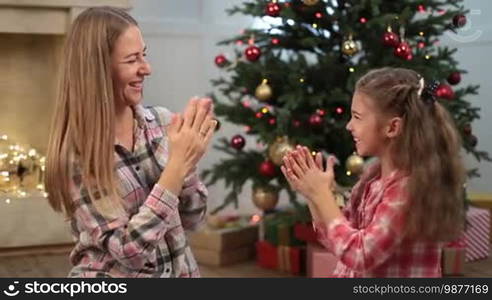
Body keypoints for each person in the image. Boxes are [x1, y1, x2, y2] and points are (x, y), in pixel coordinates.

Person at [45, 6, 217, 278]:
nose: (146, 68)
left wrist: (188, 163)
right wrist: (175, 167)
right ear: (99, 70)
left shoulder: (162, 123)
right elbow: (130, 252)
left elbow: (193, 219)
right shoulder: (76, 156)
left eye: (144, 55)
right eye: (132, 59)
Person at [281, 67, 465, 277]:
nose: (349, 126)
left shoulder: (408, 188)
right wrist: (313, 195)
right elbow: (339, 240)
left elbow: (360, 255)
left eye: (357, 117)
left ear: (392, 128)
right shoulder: (373, 178)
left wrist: (322, 194)